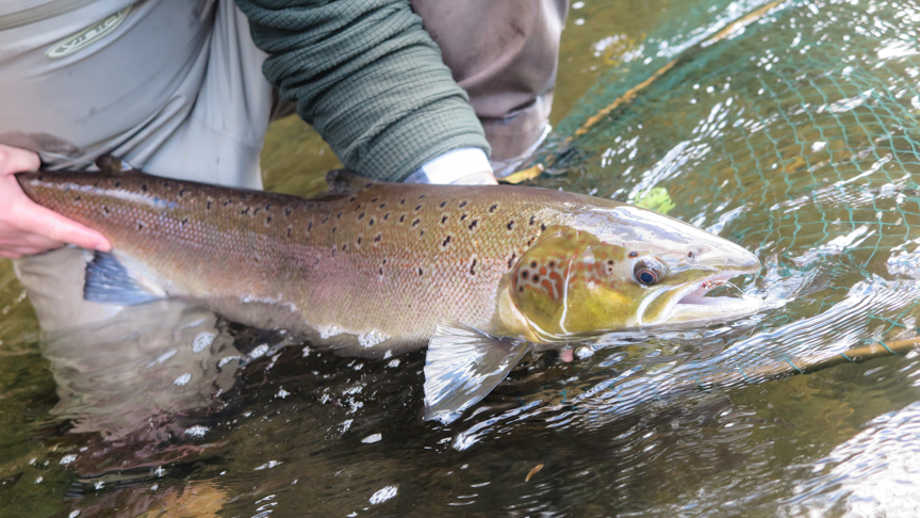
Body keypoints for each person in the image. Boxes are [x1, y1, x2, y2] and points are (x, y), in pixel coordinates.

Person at [0, 0, 566, 439]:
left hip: (293, 13)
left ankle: (496, 155)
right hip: (73, 100)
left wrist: (468, 200)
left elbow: (334, 23)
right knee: (149, 421)